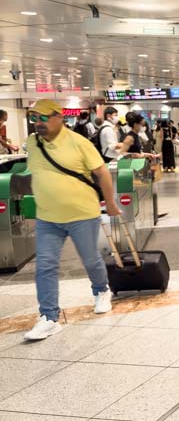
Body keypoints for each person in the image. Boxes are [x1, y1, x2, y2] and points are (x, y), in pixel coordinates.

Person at [22, 100, 122, 341]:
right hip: (47, 217)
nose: (39, 123)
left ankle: (101, 290)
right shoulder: (32, 144)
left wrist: (109, 203)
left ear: (59, 117)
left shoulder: (79, 143)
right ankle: (48, 317)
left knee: (90, 259)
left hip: (82, 214)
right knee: (45, 266)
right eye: (35, 119)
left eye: (44, 118)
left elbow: (102, 173)